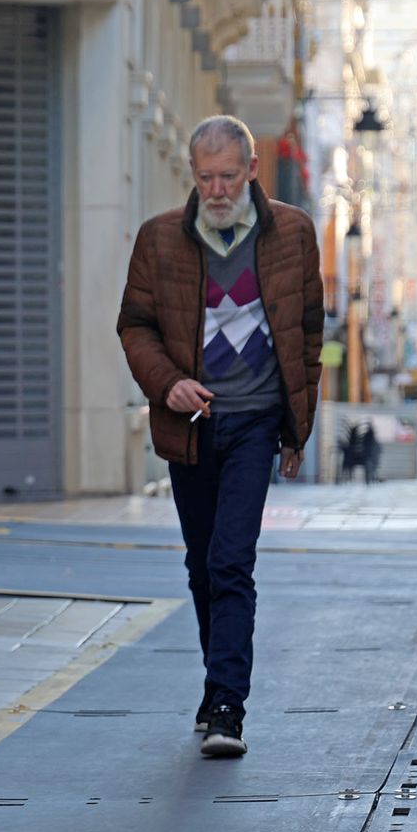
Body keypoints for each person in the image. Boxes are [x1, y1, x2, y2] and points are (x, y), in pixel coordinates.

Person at [115, 115, 324, 758]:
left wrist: (297, 430)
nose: (216, 190)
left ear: (252, 170)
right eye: (205, 177)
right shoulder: (159, 239)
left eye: (228, 176)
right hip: (192, 425)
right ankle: (216, 688)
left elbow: (307, 332)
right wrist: (169, 383)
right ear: (192, 174)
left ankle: (228, 706)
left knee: (232, 561)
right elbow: (135, 326)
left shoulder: (293, 232)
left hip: (255, 420)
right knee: (202, 564)